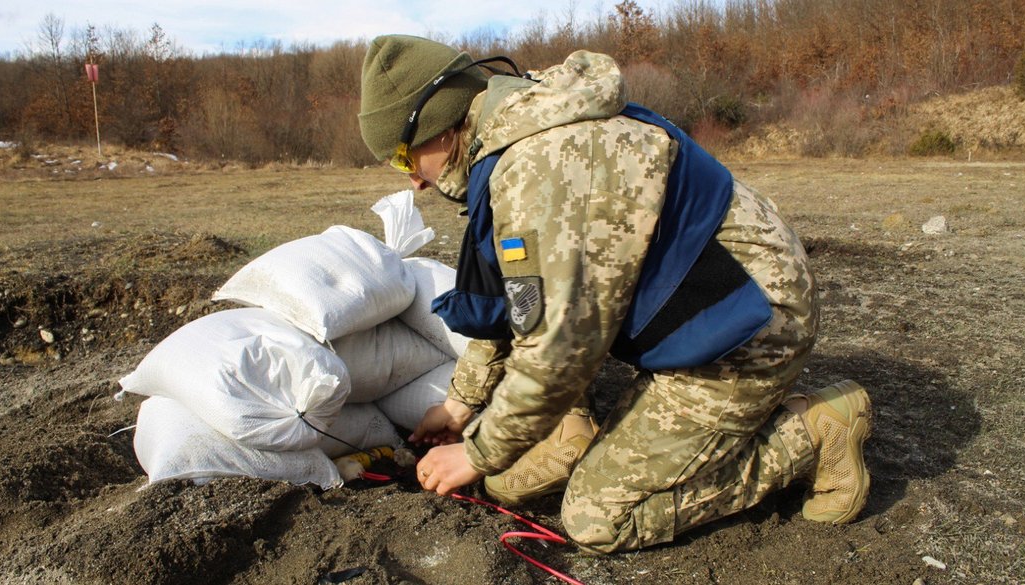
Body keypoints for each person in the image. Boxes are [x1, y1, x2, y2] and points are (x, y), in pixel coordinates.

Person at [358, 34, 872, 554]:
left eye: (404, 159)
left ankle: (812, 434)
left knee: (599, 520)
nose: (415, 184)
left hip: (750, 327)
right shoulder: (521, 128)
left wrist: (477, 455)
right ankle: (573, 433)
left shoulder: (538, 169)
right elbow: (523, 303)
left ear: (438, 128)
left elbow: (556, 349)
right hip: (708, 303)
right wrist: (460, 405)